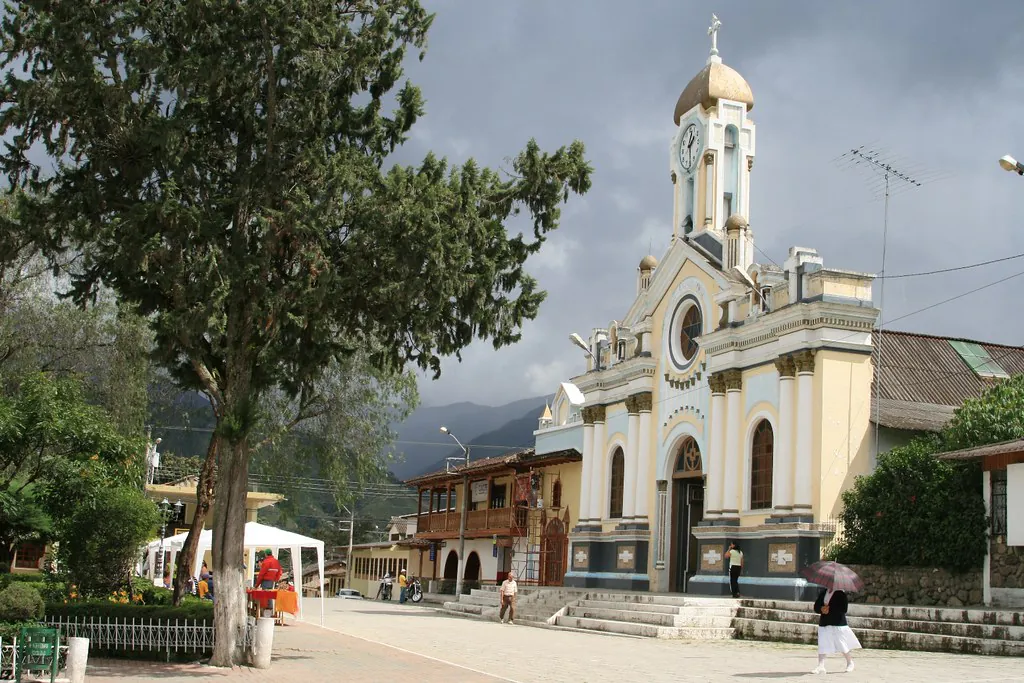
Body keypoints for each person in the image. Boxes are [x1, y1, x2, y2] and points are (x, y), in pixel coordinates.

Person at [812, 586, 861, 674]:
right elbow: (816, 606)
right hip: (825, 622)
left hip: (838, 622)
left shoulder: (840, 594)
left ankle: (850, 662)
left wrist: (829, 609)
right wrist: (821, 609)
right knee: (823, 643)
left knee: (841, 643)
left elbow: (844, 609)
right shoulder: (824, 592)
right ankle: (820, 665)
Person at [255, 550, 283, 616]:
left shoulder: (266, 562)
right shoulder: (276, 561)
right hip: (272, 581)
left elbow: (261, 574)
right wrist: (275, 580)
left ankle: (266, 613)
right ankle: (269, 612)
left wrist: (256, 585)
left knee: (265, 597)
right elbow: (280, 572)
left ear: (265, 554)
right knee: (269, 596)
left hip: (265, 581)